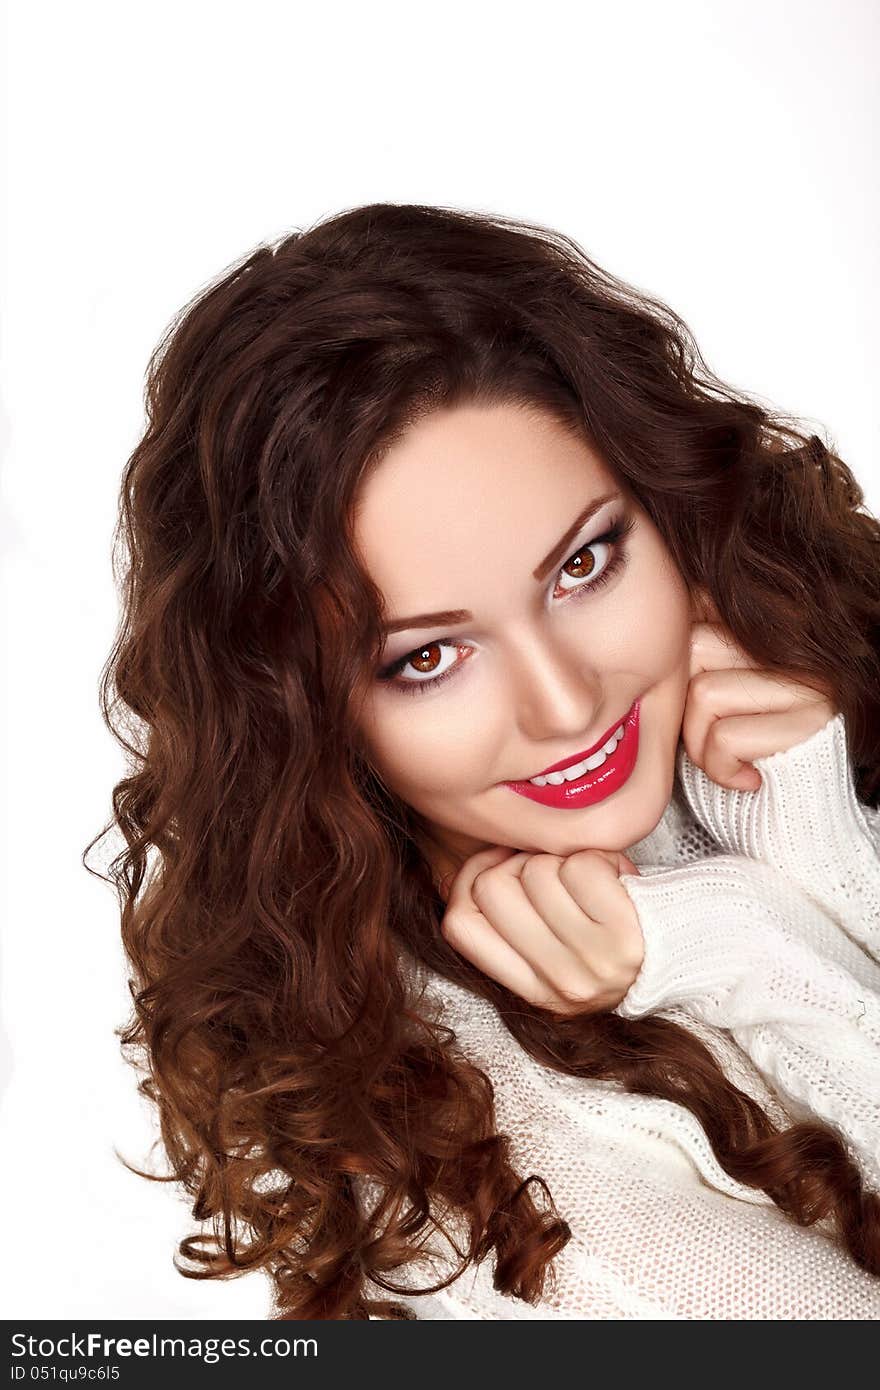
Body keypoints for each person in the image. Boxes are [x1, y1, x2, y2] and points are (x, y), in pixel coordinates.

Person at [87, 202, 880, 1321]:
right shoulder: (483, 1161)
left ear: (674, 505)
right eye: (428, 657)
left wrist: (813, 841)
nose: (565, 702)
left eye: (585, 563)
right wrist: (738, 936)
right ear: (309, 715)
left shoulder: (801, 734)